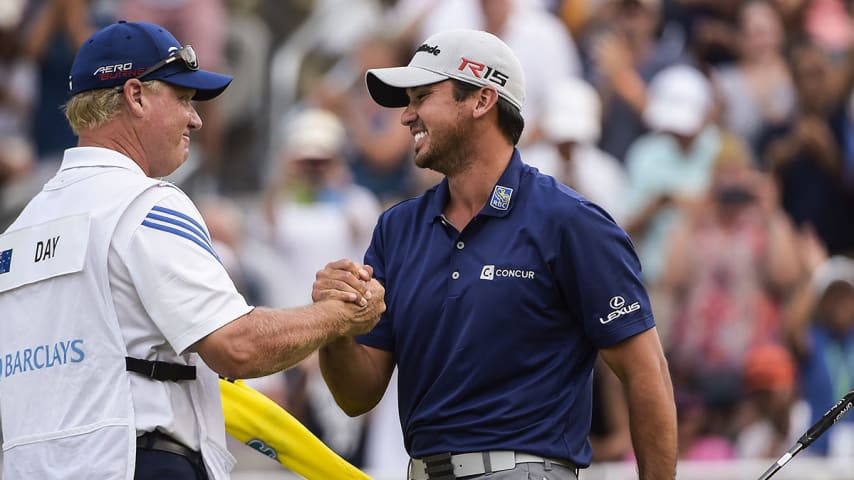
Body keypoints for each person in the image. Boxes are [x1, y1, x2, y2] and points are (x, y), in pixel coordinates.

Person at [0, 21, 385, 480]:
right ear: (136, 95)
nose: (196, 118)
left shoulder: (19, 229)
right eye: (183, 98)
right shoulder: (144, 204)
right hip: (137, 462)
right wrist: (340, 314)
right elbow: (238, 347)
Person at [313, 29, 677, 480]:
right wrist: (333, 326)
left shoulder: (571, 222)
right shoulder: (397, 227)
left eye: (422, 97)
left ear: (482, 100)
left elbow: (647, 374)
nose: (406, 116)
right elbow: (357, 396)